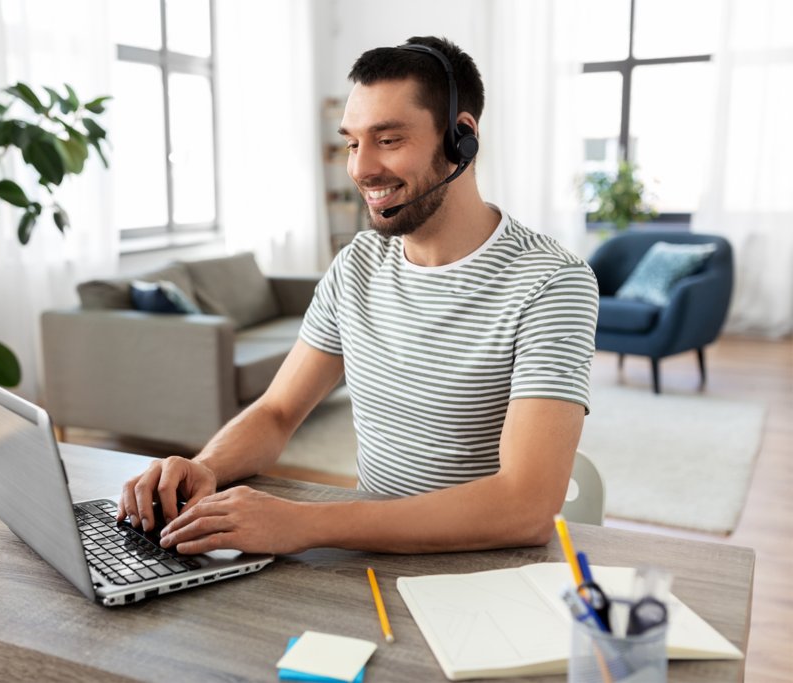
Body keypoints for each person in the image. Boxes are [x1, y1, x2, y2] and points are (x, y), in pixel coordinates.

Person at [117, 36, 599, 556]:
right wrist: (203, 467)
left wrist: (308, 524)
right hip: (368, 560)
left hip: (480, 572)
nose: (360, 168)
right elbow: (278, 412)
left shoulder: (552, 282)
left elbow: (525, 508)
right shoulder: (357, 265)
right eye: (352, 142)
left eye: (388, 140)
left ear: (462, 138)